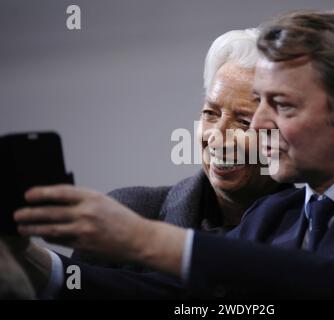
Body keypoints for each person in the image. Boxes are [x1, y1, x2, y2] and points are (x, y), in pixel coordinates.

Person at [13, 10, 334, 299]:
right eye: (256, 104)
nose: (260, 125)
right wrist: (36, 266)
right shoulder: (277, 213)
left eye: (280, 105)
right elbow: (187, 300)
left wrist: (140, 237)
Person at [4, 28, 288, 299]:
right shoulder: (129, 209)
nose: (218, 136)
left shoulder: (312, 227)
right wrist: (28, 258)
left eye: (244, 121)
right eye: (210, 113)